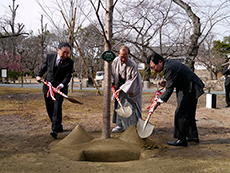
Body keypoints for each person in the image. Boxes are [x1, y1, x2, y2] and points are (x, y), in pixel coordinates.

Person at [147, 53, 204, 147]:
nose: (153, 69)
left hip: (189, 88)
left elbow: (169, 90)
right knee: (188, 113)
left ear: (160, 62)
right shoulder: (168, 63)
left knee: (180, 113)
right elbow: (174, 79)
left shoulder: (167, 68)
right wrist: (167, 82)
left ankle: (181, 139)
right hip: (190, 86)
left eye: (154, 67)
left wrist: (157, 103)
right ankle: (193, 137)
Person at [36, 42, 74, 139]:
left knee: (57, 107)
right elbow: (43, 68)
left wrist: (61, 85)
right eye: (64, 52)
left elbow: (68, 76)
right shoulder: (50, 57)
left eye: (67, 53)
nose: (65, 55)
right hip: (48, 87)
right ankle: (58, 125)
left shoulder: (70, 62)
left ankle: (54, 130)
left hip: (59, 89)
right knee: (50, 108)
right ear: (58, 50)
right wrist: (39, 76)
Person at [111, 46, 142, 132]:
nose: (123, 59)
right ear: (118, 54)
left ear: (129, 55)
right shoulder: (115, 61)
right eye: (121, 57)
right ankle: (120, 125)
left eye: (126, 57)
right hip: (119, 86)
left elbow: (133, 80)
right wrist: (112, 83)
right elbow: (112, 74)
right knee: (119, 104)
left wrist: (122, 89)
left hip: (130, 88)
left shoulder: (133, 65)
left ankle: (132, 126)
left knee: (130, 105)